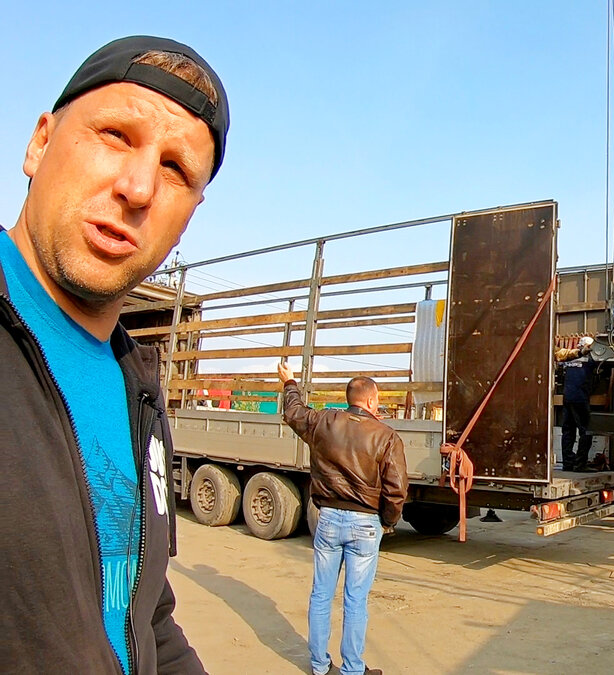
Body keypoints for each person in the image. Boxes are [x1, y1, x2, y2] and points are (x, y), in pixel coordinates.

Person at [0, 35, 229, 672]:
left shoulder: (140, 389)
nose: (137, 187)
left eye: (176, 169)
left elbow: (143, 612)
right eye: (115, 135)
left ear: (191, 212)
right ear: (40, 141)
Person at [279, 363, 408, 675]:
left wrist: (290, 382)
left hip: (328, 519)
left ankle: (320, 666)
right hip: (365, 523)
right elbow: (397, 487)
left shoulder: (324, 421)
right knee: (355, 600)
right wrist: (387, 521)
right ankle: (352, 669)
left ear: (349, 398)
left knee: (321, 594)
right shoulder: (387, 436)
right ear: (371, 401)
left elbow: (294, 413)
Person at [555, 336, 597, 471]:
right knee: (587, 431)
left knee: (568, 431)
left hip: (567, 398)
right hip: (580, 398)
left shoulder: (568, 360)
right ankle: (580, 464)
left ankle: (568, 463)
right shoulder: (590, 359)